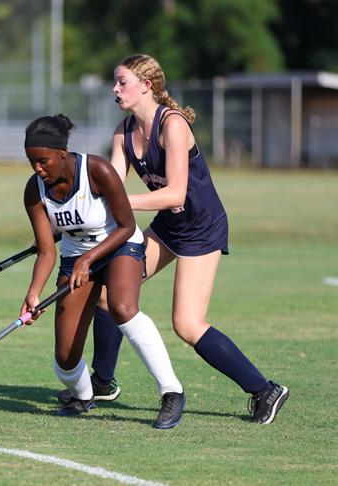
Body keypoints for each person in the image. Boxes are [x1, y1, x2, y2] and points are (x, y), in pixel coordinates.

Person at [58, 54, 289, 425]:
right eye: (115, 82)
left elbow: (175, 194)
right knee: (107, 295)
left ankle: (265, 390)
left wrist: (121, 203)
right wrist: (75, 212)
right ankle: (102, 383)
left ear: (146, 86)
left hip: (202, 229)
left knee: (187, 324)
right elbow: (109, 187)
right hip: (169, 227)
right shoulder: (123, 132)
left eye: (122, 82)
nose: (115, 89)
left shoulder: (173, 125)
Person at [21, 113, 185, 429]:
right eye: (32, 162)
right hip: (75, 258)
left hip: (120, 245)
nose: (37, 169)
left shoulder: (97, 170)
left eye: (43, 161)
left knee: (122, 308)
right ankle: (84, 396)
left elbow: (126, 226)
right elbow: (46, 250)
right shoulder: (34, 190)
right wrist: (34, 293)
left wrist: (89, 259)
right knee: (65, 359)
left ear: (62, 153)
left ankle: (171, 392)